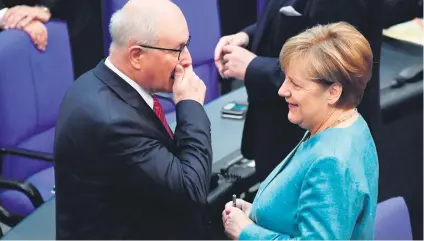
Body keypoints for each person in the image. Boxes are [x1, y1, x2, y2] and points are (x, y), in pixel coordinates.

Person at [53, 0, 213, 239]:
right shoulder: (113, 123)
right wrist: (190, 105)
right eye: (178, 49)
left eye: (187, 44)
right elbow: (191, 190)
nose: (187, 59)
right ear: (137, 55)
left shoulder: (97, 80)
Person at [221, 22, 379, 240]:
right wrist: (257, 215)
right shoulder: (348, 126)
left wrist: (246, 232)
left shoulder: (331, 162)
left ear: (333, 92)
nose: (282, 90)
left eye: (295, 84)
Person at [214, 0, 383, 182]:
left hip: (314, 149)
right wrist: (248, 36)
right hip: (281, 144)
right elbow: (286, 21)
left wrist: (252, 66)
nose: (284, 89)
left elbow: (332, 69)